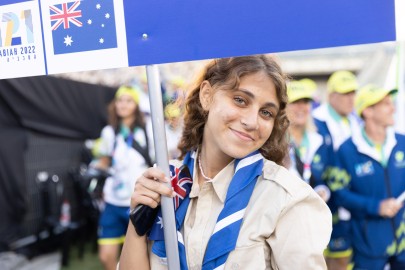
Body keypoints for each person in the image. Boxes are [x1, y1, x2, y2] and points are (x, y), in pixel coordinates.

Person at [119, 55, 332, 270]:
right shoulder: (163, 181)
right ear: (207, 95)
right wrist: (137, 220)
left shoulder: (287, 199)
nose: (251, 122)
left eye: (266, 112)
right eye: (240, 100)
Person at [329, 84, 405, 269]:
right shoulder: (347, 150)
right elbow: (339, 194)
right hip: (367, 245)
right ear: (368, 111)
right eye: (386, 104)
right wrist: (376, 207)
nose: (393, 108)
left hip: (403, 244)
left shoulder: (402, 142)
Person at [94, 85, 153, 270]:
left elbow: (163, 160)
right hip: (112, 201)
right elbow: (103, 162)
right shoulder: (109, 132)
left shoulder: (148, 130)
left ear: (136, 105)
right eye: (120, 100)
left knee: (142, 257)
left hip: (139, 202)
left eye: (128, 100)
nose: (123, 104)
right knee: (106, 256)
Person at [312, 70, 360, 269]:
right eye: (344, 94)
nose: (350, 99)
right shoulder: (315, 121)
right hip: (324, 201)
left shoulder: (355, 120)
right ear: (331, 96)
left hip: (351, 202)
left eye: (352, 93)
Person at [286, 80, 330, 202]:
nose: (301, 107)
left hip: (311, 212)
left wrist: (322, 190)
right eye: (295, 102)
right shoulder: (274, 143)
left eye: (305, 102)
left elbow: (323, 178)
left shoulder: (319, 140)